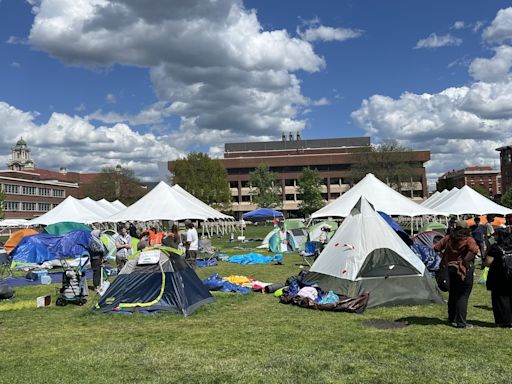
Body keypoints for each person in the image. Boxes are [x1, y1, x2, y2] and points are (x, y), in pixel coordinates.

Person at [434, 220, 479, 328]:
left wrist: (444, 258)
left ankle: (452, 318)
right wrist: (465, 261)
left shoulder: (449, 238)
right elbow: (473, 251)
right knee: (463, 296)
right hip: (463, 270)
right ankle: (461, 322)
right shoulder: (469, 240)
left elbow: (436, 248)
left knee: (453, 294)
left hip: (450, 269)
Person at [486, 228, 512, 328]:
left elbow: (488, 262)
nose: (493, 236)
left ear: (499, 236)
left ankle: (503, 321)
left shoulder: (496, 247)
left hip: (499, 276)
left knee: (500, 300)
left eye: (495, 235)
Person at [88, 229, 107, 294]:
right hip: (95, 259)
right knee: (96, 273)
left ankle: (99, 285)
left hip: (99, 258)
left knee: (99, 272)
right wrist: (101, 250)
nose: (99, 235)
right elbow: (94, 250)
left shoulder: (98, 240)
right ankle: (96, 286)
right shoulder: (92, 241)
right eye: (98, 234)